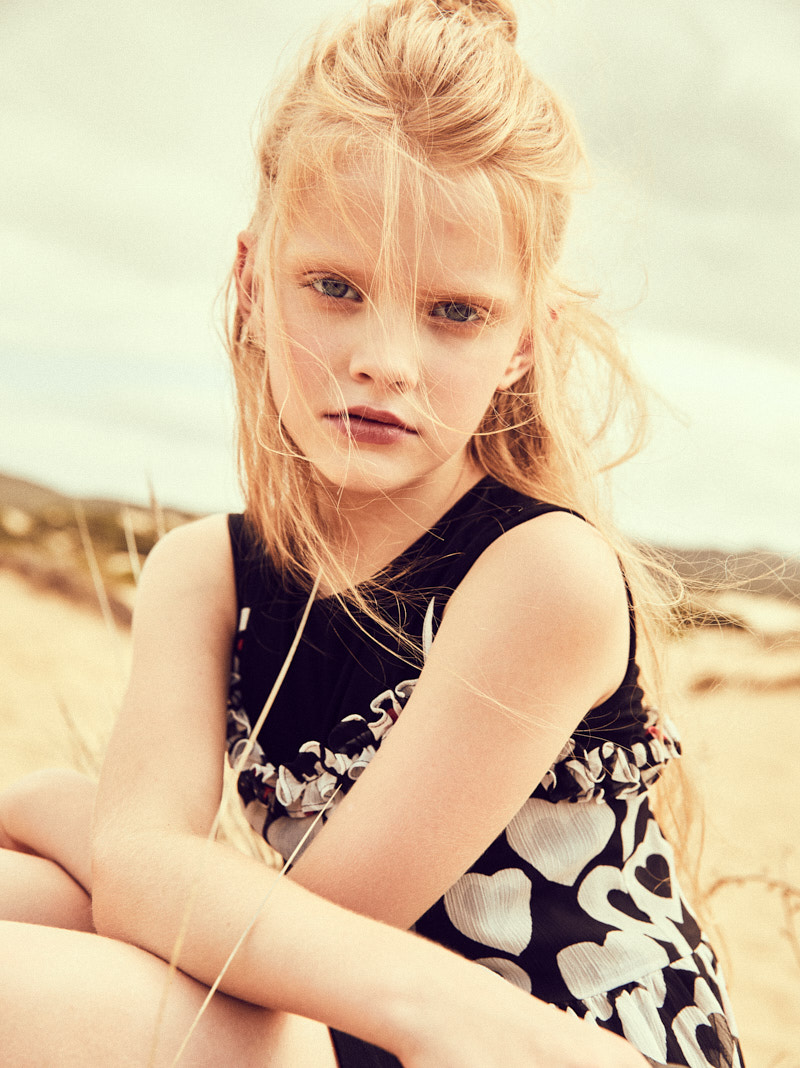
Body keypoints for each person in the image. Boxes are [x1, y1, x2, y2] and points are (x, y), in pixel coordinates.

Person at [0, 0, 744, 1064]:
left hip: (542, 1036)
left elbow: (305, 928)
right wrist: (127, 853)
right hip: (354, 1010)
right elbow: (164, 893)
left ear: (524, 340)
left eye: (453, 312)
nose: (383, 358)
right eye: (336, 288)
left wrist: (64, 810)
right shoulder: (202, 573)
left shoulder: (539, 575)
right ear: (253, 279)